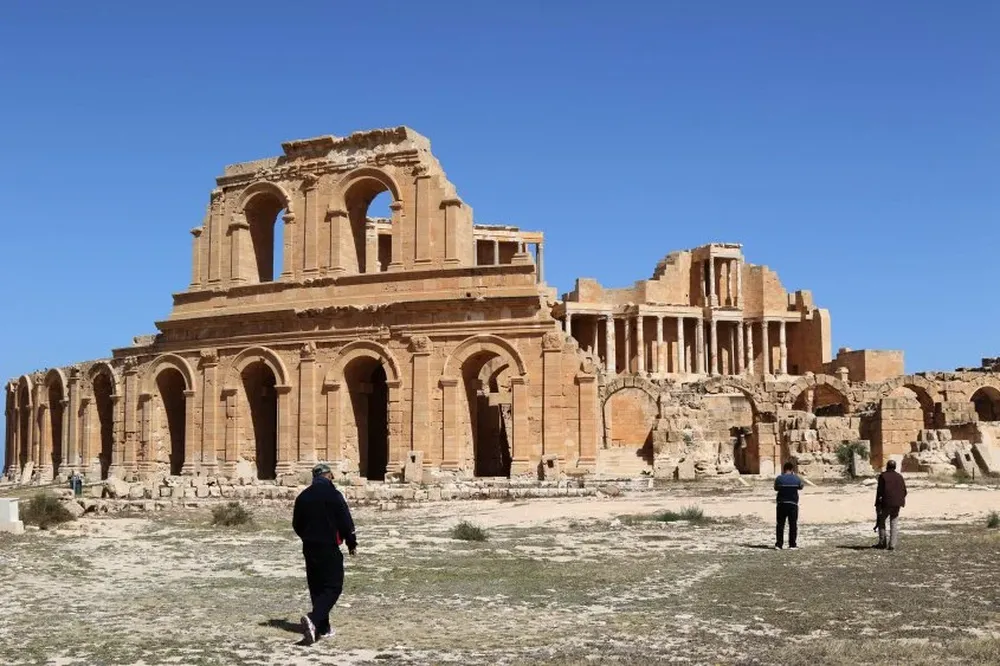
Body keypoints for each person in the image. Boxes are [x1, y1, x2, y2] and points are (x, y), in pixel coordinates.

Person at [292, 462, 357, 645]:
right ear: (328, 476)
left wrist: (307, 537)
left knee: (317, 586)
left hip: (309, 546)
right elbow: (345, 521)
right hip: (329, 546)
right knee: (333, 586)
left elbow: (297, 524)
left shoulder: (303, 497)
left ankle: (323, 628)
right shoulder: (334, 495)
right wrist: (351, 542)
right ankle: (314, 618)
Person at [874, 459, 907, 551]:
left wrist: (877, 504)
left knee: (881, 521)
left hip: (886, 503)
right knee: (894, 523)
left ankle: (882, 542)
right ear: (895, 467)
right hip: (897, 503)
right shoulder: (899, 476)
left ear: (887, 466)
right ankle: (892, 544)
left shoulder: (883, 476)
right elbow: (904, 491)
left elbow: (879, 491)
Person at [773, 461, 804, 549]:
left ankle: (779, 544)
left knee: (780, 525)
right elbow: (801, 487)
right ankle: (792, 544)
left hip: (781, 504)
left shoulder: (779, 478)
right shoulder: (796, 478)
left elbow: (776, 488)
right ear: (792, 469)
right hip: (793, 504)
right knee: (793, 524)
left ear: (784, 469)